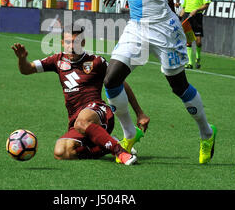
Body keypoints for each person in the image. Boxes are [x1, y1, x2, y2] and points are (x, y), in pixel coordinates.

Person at [96, 0, 216, 165]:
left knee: (178, 86)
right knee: (111, 80)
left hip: (163, 28)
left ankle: (206, 132)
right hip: (137, 27)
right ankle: (129, 134)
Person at [11, 25, 150, 164]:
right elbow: (27, 69)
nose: (71, 46)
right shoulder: (57, 60)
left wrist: (139, 113)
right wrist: (22, 59)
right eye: (67, 42)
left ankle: (120, 152)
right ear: (62, 43)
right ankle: (109, 143)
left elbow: (119, 83)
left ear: (83, 42)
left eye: (76, 42)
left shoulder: (96, 62)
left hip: (99, 111)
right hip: (76, 120)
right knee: (61, 152)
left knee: (82, 122)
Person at [179, 0, 210, 70]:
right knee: (188, 41)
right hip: (188, 17)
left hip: (197, 17)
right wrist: (179, 18)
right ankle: (190, 63)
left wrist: (196, 10)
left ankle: (198, 58)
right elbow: (183, 8)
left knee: (198, 41)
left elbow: (206, 4)